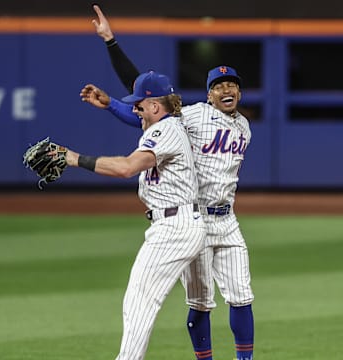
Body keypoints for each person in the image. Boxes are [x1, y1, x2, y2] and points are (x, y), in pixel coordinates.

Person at [81, 5, 255, 360]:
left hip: (228, 218)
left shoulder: (244, 127)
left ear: (239, 92)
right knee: (202, 301)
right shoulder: (190, 116)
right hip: (196, 218)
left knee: (242, 295)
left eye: (232, 85)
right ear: (208, 94)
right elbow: (146, 103)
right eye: (219, 85)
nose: (226, 90)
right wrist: (111, 45)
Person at [67, 70, 206, 360]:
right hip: (179, 223)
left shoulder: (164, 130)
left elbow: (126, 168)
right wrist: (110, 105)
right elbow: (137, 122)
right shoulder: (169, 126)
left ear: (156, 106)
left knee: (140, 301)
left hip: (174, 228)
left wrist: (73, 158)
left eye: (139, 105)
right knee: (188, 302)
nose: (135, 111)